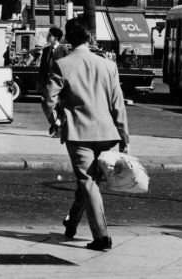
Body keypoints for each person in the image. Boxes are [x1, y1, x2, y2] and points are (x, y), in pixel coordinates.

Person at [45, 17, 130, 251]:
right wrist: (124, 136)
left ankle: (101, 236)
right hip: (107, 132)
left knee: (87, 181)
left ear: (68, 38)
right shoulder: (108, 65)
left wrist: (55, 122)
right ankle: (72, 222)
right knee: (91, 181)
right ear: (89, 37)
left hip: (78, 132)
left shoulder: (62, 64)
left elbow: (48, 99)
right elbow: (118, 104)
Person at [39, 26, 69, 131]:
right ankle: (55, 123)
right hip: (47, 82)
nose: (47, 37)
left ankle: (58, 126)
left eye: (50, 35)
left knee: (57, 105)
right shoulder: (46, 50)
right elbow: (42, 67)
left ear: (56, 37)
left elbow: (67, 66)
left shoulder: (63, 49)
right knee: (45, 104)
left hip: (59, 82)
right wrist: (40, 82)